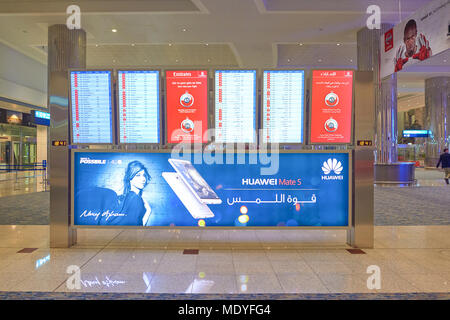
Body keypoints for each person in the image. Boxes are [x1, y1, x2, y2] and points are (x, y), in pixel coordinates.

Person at [116, 160, 153, 225]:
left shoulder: (129, 197)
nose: (143, 179)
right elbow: (136, 230)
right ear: (130, 178)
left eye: (144, 175)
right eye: (138, 175)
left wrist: (148, 211)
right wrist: (148, 211)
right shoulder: (135, 199)